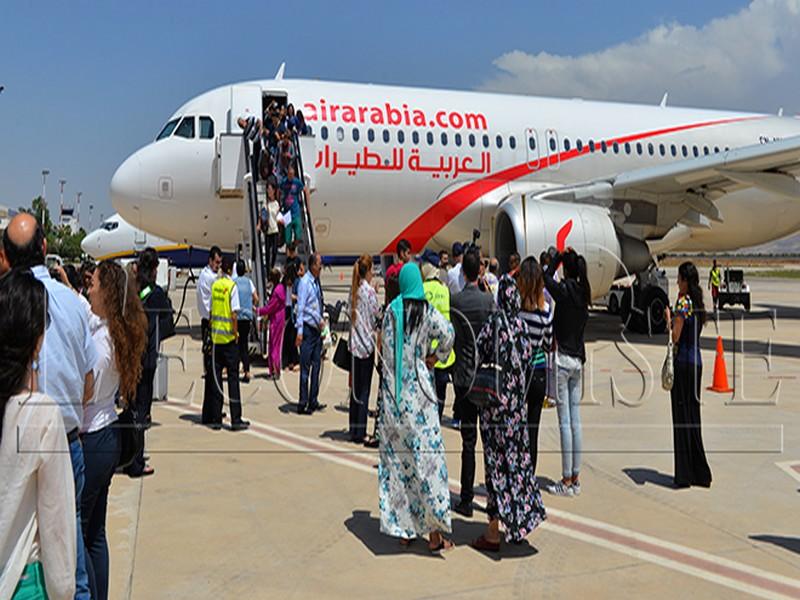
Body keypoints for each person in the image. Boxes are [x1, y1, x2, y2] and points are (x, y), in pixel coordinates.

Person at [2, 214, 98, 599]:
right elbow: (89, 385)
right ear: (44, 247)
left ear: (5, 256)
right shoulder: (72, 304)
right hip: (65, 440)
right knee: (69, 550)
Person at [0, 269, 76, 600]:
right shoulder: (42, 414)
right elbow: (57, 526)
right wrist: (64, 591)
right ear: (38, 339)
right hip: (23, 583)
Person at [377, 263, 455, 553]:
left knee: (400, 465)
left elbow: (386, 355)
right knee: (428, 463)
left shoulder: (391, 313)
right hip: (420, 397)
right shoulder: (427, 313)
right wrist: (434, 357)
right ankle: (434, 535)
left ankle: (404, 530)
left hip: (395, 399)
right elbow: (449, 335)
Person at [82, 261, 147, 599]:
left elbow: (85, 391)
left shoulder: (100, 344)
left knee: (79, 534)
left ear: (106, 293)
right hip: (106, 435)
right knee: (95, 534)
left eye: (92, 284)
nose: (87, 288)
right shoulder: (111, 332)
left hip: (92, 438)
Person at [470, 275, 547, 552]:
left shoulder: (493, 326)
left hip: (494, 411)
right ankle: (519, 520)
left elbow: (478, 354)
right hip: (516, 410)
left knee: (496, 468)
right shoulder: (522, 328)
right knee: (517, 466)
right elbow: (528, 361)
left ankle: (493, 532)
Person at [450, 249, 495, 517]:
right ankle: (491, 497)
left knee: (468, 440)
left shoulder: (456, 301)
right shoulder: (489, 301)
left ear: (462, 273)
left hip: (464, 378)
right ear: (478, 271)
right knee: (489, 441)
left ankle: (466, 499)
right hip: (485, 378)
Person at [544, 248, 590, 497]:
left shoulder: (563, 292)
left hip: (562, 359)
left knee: (564, 422)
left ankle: (566, 479)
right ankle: (575, 477)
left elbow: (544, 278)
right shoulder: (584, 293)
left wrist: (555, 260)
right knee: (576, 421)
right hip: (578, 360)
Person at [125, 248, 174, 479]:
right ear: (155, 269)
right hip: (146, 361)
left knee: (131, 407)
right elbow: (168, 324)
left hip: (129, 358)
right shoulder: (154, 294)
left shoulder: (132, 291)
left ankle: (128, 456)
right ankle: (136, 461)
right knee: (141, 412)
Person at [667, 262, 712, 488]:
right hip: (697, 364)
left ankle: (684, 474)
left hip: (683, 364)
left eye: (679, 279)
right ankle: (699, 472)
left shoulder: (683, 303)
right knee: (693, 418)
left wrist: (669, 317)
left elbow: (675, 336)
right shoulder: (698, 304)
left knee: (681, 418)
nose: (677, 283)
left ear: (686, 280)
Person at [204, 256, 250, 431]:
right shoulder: (232, 287)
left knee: (217, 381)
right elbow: (233, 314)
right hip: (229, 340)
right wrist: (235, 333)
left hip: (216, 339)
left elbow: (210, 312)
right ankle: (235, 419)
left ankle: (216, 419)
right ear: (231, 270)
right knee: (233, 380)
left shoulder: (215, 286)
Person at [517, 257, 554, 475]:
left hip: (519, 371)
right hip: (538, 371)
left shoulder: (517, 309)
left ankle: (518, 473)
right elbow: (549, 343)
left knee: (517, 426)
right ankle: (530, 476)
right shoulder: (546, 310)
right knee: (533, 428)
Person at [348, 254, 381, 445]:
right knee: (364, 391)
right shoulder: (369, 292)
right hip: (366, 346)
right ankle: (361, 432)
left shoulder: (354, 289)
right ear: (368, 271)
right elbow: (376, 318)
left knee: (355, 390)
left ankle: (354, 429)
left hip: (354, 346)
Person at [420, 249, 456, 419]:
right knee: (441, 392)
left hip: (426, 353)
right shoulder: (444, 289)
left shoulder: (422, 290)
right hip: (443, 353)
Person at [295, 253, 326, 414]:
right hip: (307, 330)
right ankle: (303, 401)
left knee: (317, 366)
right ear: (313, 265)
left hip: (316, 330)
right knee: (305, 368)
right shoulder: (305, 283)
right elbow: (300, 308)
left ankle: (313, 399)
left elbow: (316, 304)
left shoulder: (316, 282)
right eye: (319, 264)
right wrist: (299, 332)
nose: (321, 267)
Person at [197, 246, 222, 379]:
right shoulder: (213, 278)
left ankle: (208, 370)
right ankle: (212, 371)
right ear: (210, 260)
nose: (218, 266)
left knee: (207, 349)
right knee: (212, 349)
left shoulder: (203, 273)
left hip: (204, 318)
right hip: (211, 319)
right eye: (217, 262)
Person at [233, 260, 259, 384]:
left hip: (237, 317)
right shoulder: (249, 282)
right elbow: (256, 298)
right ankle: (247, 370)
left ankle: (235, 369)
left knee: (237, 345)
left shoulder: (234, 283)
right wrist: (251, 306)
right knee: (244, 344)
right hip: (247, 317)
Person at [257, 268, 286, 379]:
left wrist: (259, 311)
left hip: (276, 320)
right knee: (276, 344)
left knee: (274, 345)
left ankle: (274, 370)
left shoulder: (276, 292)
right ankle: (275, 369)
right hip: (280, 319)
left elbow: (270, 307)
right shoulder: (280, 288)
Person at [282, 261, 302, 371]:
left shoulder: (298, 283)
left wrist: (295, 297)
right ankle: (287, 361)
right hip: (286, 311)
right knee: (286, 338)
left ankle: (294, 360)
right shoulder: (284, 283)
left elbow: (301, 297)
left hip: (293, 312)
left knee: (292, 337)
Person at [281, 165, 305, 246]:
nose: (291, 176)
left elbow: (304, 189)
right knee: (287, 238)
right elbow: (279, 190)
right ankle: (289, 253)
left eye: (292, 174)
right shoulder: (284, 182)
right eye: (289, 174)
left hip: (296, 212)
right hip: (287, 213)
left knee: (298, 235)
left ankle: (294, 249)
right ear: (287, 174)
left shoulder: (297, 182)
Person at [384, 238, 411, 305]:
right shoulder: (407, 270)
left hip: (391, 305)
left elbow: (386, 292)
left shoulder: (389, 270)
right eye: (408, 253)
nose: (410, 256)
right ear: (402, 253)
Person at [264, 181, 281, 269]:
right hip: (268, 230)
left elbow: (278, 216)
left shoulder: (277, 204)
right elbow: (262, 215)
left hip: (275, 230)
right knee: (267, 252)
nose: (269, 191)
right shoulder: (266, 203)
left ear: (274, 191)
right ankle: (267, 270)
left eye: (270, 189)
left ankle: (272, 266)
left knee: (274, 251)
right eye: (268, 189)